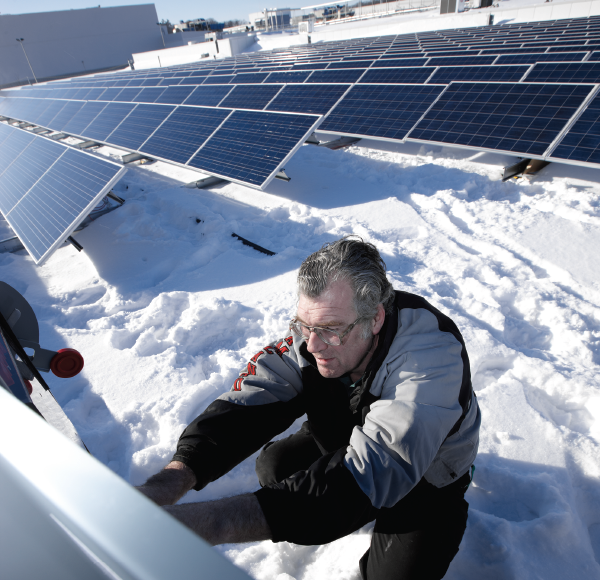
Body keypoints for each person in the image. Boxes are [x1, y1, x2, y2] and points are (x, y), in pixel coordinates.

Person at [137, 236, 481, 580]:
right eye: (304, 325)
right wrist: (171, 480)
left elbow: (374, 469)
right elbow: (252, 400)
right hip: (351, 430)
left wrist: (208, 524)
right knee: (275, 468)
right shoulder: (320, 330)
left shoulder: (430, 362)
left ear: (374, 318)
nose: (312, 345)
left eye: (330, 330)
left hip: (426, 471)